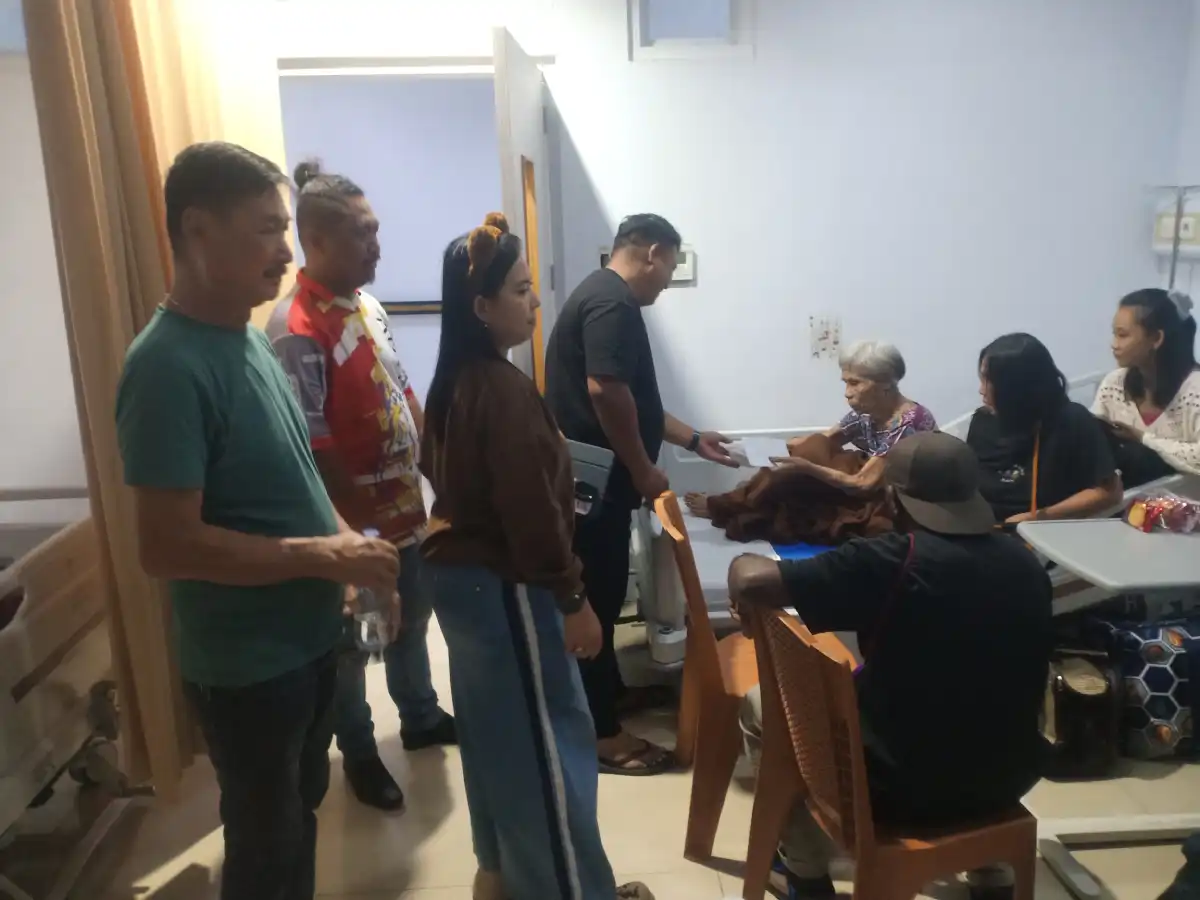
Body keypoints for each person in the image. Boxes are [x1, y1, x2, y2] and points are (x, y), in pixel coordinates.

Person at [115, 142, 401, 900]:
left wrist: (352, 552)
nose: (286, 251)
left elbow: (298, 473)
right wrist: (324, 557)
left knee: (297, 817)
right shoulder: (165, 366)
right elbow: (165, 546)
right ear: (198, 230)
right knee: (266, 844)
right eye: (268, 230)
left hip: (308, 642)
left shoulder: (245, 337)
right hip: (249, 666)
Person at [419, 213, 653, 900]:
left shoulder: (456, 379)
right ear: (481, 307)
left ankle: (502, 878)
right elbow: (531, 515)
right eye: (521, 291)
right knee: (546, 749)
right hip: (505, 586)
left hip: (463, 580)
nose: (534, 303)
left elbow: (444, 473)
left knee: (497, 741)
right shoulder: (501, 389)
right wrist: (574, 599)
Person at [729, 432, 1052, 900]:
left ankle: (805, 875)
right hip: (1012, 778)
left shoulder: (888, 562)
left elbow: (752, 579)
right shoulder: (1025, 563)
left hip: (896, 792)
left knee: (762, 704)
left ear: (892, 499)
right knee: (975, 699)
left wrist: (740, 561)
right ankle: (992, 877)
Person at [267, 160, 454, 813]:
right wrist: (351, 537)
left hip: (405, 510)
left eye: (375, 229)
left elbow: (402, 393)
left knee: (413, 618)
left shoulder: (367, 307)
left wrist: (439, 474)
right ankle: (361, 753)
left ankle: (421, 715)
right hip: (351, 526)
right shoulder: (295, 330)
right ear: (316, 241)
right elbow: (311, 450)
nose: (377, 244)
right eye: (361, 233)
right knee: (354, 646)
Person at [545, 213, 735, 776]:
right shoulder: (613, 303)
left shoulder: (603, 296)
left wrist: (694, 439)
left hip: (596, 482)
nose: (668, 280)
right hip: (595, 487)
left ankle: (609, 695)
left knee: (604, 597)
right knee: (597, 602)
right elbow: (605, 391)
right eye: (671, 266)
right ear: (653, 252)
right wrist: (643, 468)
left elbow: (637, 402)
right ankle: (600, 733)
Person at [684, 339, 935, 518]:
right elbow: (816, 443)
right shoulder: (867, 413)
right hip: (869, 482)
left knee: (798, 485)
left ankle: (728, 505)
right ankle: (738, 499)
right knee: (811, 451)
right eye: (845, 382)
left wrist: (807, 468)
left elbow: (862, 483)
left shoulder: (907, 423)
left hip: (901, 501)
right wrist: (738, 448)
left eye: (855, 383)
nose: (847, 393)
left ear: (886, 384)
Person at [968, 333, 1122, 524]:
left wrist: (1036, 518)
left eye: (989, 381)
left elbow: (1109, 493)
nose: (981, 390)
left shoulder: (1071, 422)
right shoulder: (983, 422)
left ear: (1016, 387)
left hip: (1041, 532)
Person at [1093, 288, 1200, 479]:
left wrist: (1143, 438)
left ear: (1156, 338)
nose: (1114, 344)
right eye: (1114, 334)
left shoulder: (1195, 392)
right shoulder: (1114, 383)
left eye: (1122, 335)